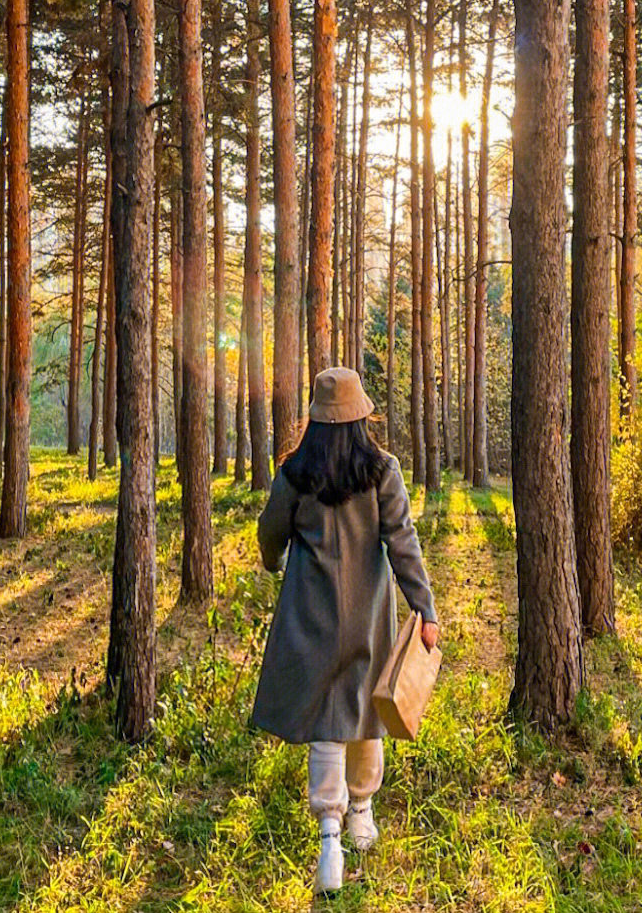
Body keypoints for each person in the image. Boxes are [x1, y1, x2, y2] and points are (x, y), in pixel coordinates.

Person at [251, 366, 440, 894]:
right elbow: (403, 542)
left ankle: (329, 833)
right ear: (361, 416)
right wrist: (425, 609)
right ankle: (362, 811)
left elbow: (270, 533)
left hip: (311, 614)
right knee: (366, 708)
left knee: (327, 721)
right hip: (368, 614)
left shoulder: (295, 472)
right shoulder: (382, 471)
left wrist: (274, 561)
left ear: (316, 419)